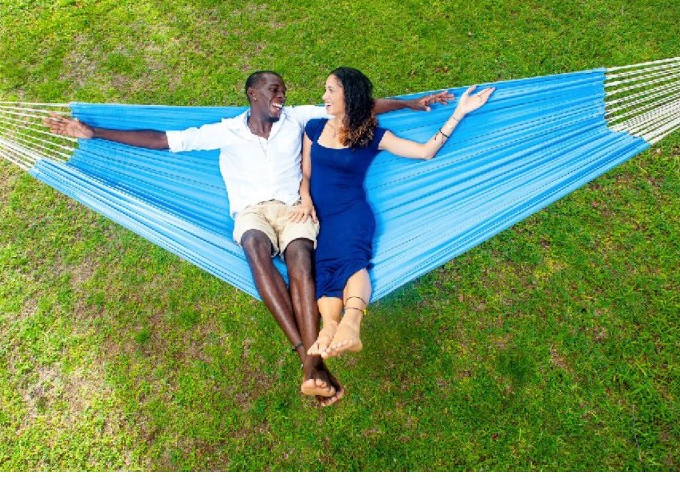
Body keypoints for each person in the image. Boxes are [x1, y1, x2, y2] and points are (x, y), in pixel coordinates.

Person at [44, 71, 453, 406]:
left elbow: (359, 107)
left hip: (295, 210)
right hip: (252, 212)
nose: (281, 96)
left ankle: (313, 363)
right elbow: (164, 140)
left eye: (283, 91)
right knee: (255, 246)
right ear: (253, 94)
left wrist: (410, 104)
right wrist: (92, 132)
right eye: (274, 90)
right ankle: (310, 361)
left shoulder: (297, 119)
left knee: (300, 257)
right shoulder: (226, 131)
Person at [295, 67, 495, 360]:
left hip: (351, 215)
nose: (324, 96)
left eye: (330, 90)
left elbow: (425, 151)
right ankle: (329, 328)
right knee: (323, 269)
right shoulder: (313, 128)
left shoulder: (372, 136)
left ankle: (351, 324)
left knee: (352, 263)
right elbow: (305, 175)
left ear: (349, 96)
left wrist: (459, 113)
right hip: (319, 218)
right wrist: (304, 199)